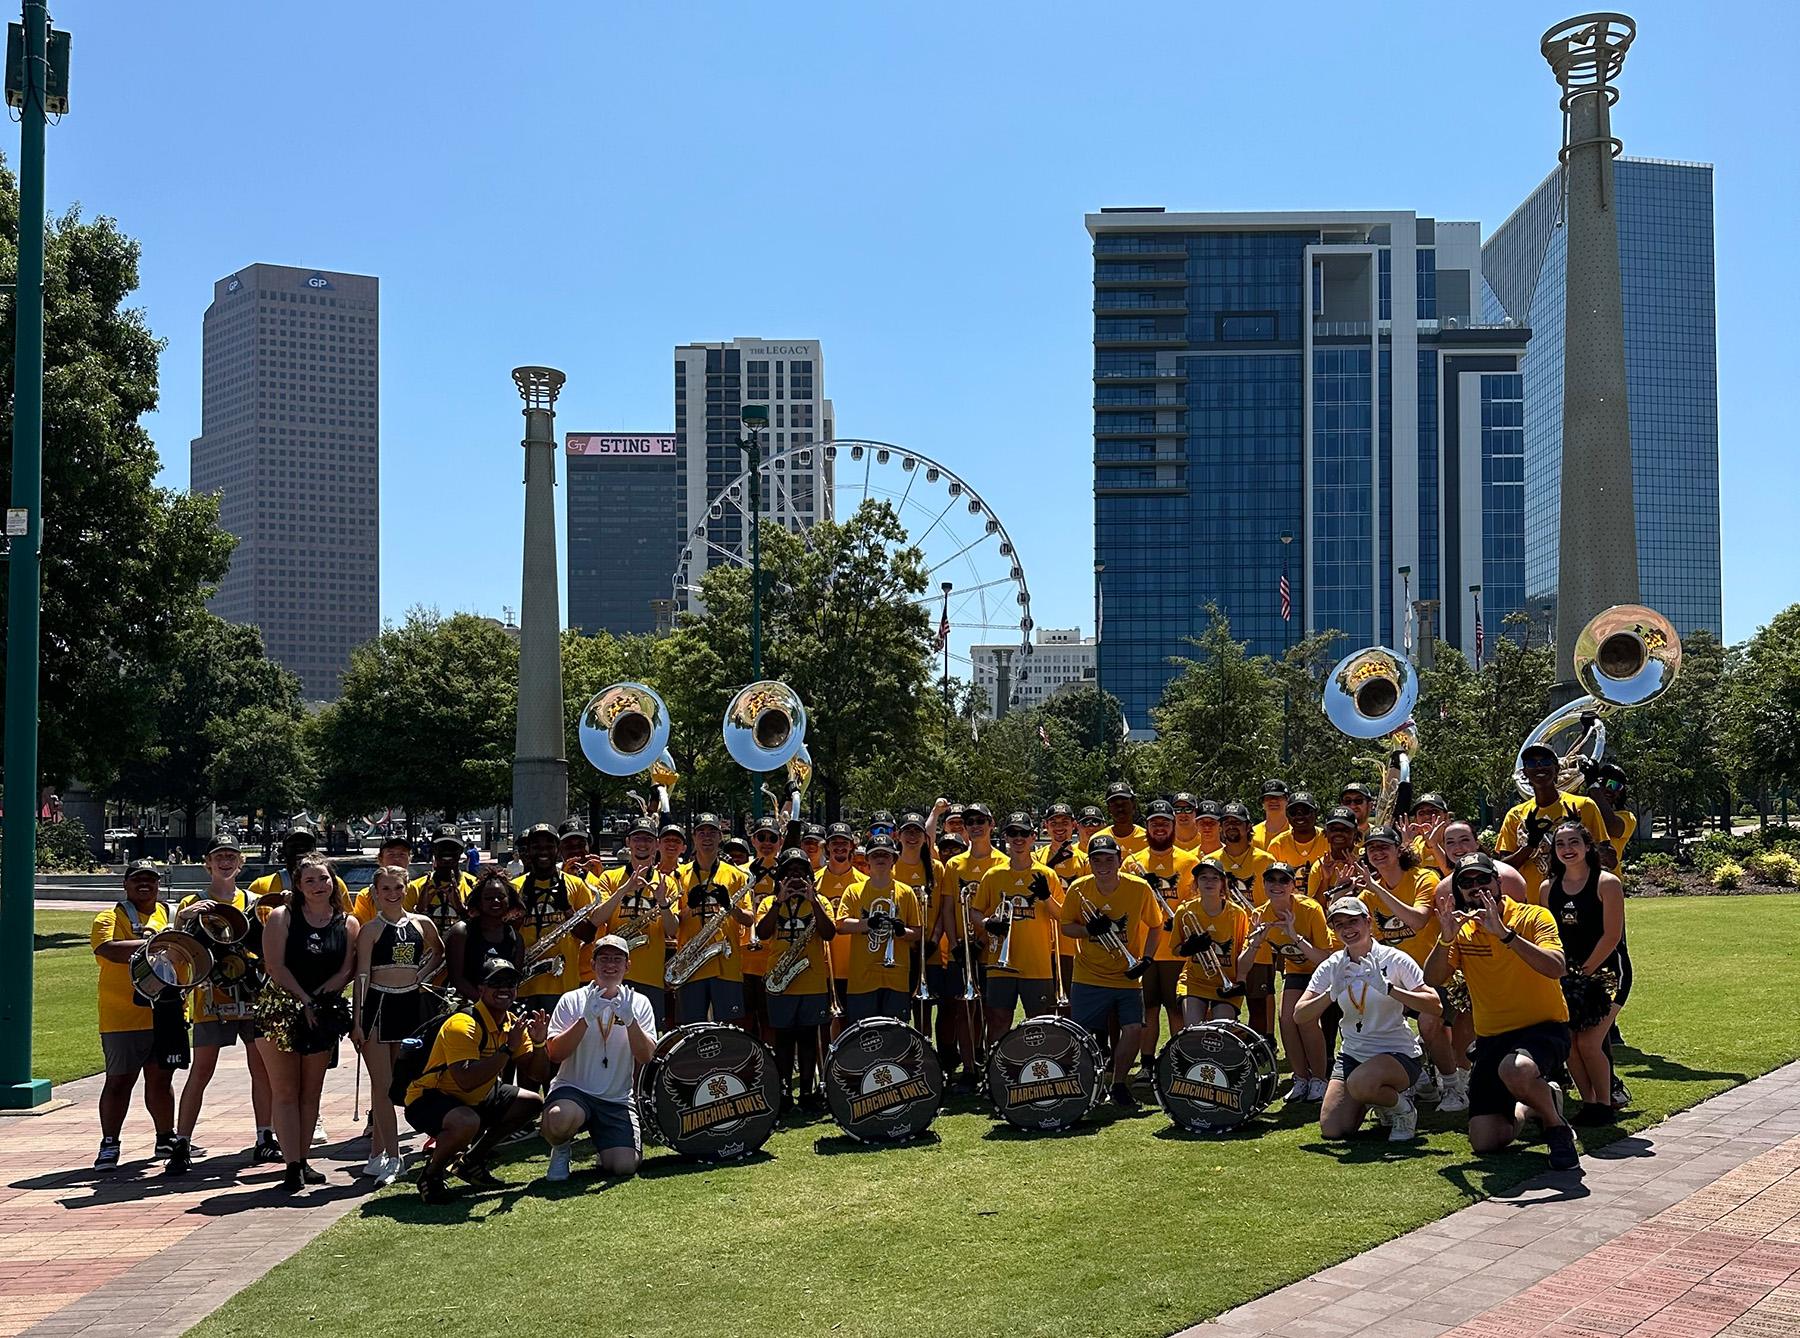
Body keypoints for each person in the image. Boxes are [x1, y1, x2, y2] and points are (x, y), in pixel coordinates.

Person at [1424, 853, 1580, 1171]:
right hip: (1492, 1038)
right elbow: (1432, 978)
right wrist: (1444, 939)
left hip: (1544, 1027)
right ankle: (1533, 1105)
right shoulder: (1461, 930)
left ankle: (1556, 1128)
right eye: (1466, 883)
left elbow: (1556, 967)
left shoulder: (1533, 916)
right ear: (1457, 892)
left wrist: (1506, 935)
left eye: (1483, 879)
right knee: (1486, 1141)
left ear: (1498, 882)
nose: (1476, 887)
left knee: (1516, 1069)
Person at [403, 959, 551, 1202]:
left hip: (476, 1096)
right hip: (430, 1098)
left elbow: (538, 1075)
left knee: (532, 1102)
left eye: (510, 982)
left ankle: (471, 1162)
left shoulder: (513, 1023)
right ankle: (431, 1176)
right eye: (496, 982)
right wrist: (506, 1049)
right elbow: (465, 1080)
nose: (504, 988)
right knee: (467, 1121)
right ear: (480, 989)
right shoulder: (463, 1024)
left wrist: (539, 1043)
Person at [170, 835, 274, 1172]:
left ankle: (265, 1136)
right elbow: (175, 953)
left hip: (253, 995)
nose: (225, 861)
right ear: (208, 863)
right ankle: (181, 1141)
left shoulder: (257, 902)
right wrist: (183, 919)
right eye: (219, 856)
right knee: (202, 1070)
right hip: (211, 996)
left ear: (241, 862)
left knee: (262, 1068)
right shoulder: (193, 902)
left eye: (231, 856)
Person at [1299, 897, 1441, 1143]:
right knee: (1333, 1129)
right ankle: (1378, 1099)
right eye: (1339, 924)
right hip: (1353, 1055)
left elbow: (1435, 1005)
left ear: (1368, 921)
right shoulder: (1333, 965)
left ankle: (1403, 1109)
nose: (1347, 929)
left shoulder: (1394, 958)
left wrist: (1390, 989)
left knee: (1361, 1083)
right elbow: (1300, 1015)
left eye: (1353, 921)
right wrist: (1329, 994)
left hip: (1396, 1053)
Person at [257, 855, 359, 1192]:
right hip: (281, 1010)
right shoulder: (281, 917)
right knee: (285, 1090)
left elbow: (346, 969)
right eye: (311, 880)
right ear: (298, 886)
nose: (319, 886)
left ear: (334, 882)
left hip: (323, 1011)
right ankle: (291, 1165)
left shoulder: (348, 923)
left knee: (310, 1092)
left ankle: (304, 1158)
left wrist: (320, 1001)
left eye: (324, 879)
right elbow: (276, 966)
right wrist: (304, 1000)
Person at [1355, 826, 1465, 1112]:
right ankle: (1415, 1080)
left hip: (1436, 973)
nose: (1377, 853)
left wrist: (1375, 887)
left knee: (1430, 1024)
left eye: (1384, 847)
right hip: (1397, 977)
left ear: (1398, 849)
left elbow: (1417, 921)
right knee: (1371, 1016)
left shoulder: (1423, 878)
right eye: (1371, 849)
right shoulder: (1368, 896)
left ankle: (1452, 1087)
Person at [350, 864, 441, 1186]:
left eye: (397, 888)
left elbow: (438, 952)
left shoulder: (421, 923)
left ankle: (378, 1154)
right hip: (378, 1006)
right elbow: (361, 976)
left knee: (398, 1081)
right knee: (382, 1085)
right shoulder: (371, 929)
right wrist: (357, 1022)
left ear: (406, 889)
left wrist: (421, 975)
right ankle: (394, 1157)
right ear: (375, 892)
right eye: (385, 889)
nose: (392, 894)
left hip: (409, 1004)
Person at [540, 936, 659, 1181]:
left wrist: (631, 1021)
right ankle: (561, 1149)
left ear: (628, 965)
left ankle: (604, 1148)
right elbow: (555, 1054)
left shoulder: (639, 1003)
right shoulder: (572, 1000)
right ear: (592, 964)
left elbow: (646, 1056)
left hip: (615, 1099)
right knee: (558, 1119)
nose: (610, 965)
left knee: (624, 1167)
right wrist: (584, 1019)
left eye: (617, 959)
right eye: (603, 959)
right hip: (574, 1091)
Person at [1055, 834, 1156, 1109]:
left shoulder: (1139, 888)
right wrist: (1088, 930)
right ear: (1089, 862)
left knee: (1134, 1029)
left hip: (1127, 974)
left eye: (1108, 859)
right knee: (1085, 1034)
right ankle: (1089, 1084)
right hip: (1089, 974)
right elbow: (1066, 927)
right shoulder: (1078, 889)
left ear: (1119, 860)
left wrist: (1146, 958)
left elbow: (1156, 925)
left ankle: (1119, 1083)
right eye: (1096, 859)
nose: (1103, 865)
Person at [90, 860, 177, 1171]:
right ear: (126, 885)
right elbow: (108, 949)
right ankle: (109, 1143)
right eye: (137, 879)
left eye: (150, 880)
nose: (145, 885)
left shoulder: (168, 913)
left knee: (161, 1079)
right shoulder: (109, 916)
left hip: (163, 1012)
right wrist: (160, 943)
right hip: (121, 1015)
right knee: (119, 1081)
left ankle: (166, 1137)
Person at [1544, 820, 1628, 1124]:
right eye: (1561, 844)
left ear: (1588, 846)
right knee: (1570, 1043)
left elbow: (1612, 936)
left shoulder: (1607, 883)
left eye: (1574, 843)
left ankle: (1606, 1103)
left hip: (1607, 973)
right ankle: (1589, 1102)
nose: (1568, 849)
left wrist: (1585, 970)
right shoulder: (1548, 888)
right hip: (1566, 976)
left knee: (1590, 1041)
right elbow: (1548, 935)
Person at [756, 848, 839, 1110]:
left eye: (801, 871)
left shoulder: (820, 901)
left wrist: (813, 901)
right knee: (783, 1040)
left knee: (807, 1038)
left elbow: (829, 934)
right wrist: (779, 902)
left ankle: (806, 1091)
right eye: (790, 871)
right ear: (781, 876)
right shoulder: (770, 903)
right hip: (780, 981)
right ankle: (783, 1093)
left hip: (812, 980)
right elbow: (762, 932)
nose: (795, 876)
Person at [1240, 861, 1330, 1103]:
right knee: (1285, 1019)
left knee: (1306, 1018)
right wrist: (1256, 942)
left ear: (1293, 885)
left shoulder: (1310, 909)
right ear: (1264, 883)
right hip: (1295, 970)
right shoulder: (1260, 914)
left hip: (1323, 971)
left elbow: (1326, 958)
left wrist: (1295, 937)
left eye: (1283, 880)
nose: (1276, 885)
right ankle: (1301, 1078)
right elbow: (1244, 965)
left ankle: (1319, 1079)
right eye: (1271, 880)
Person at [971, 813, 1064, 1035]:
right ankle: (998, 1067)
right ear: (1006, 837)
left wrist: (1046, 897)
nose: (1019, 838)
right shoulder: (993, 875)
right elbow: (975, 911)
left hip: (1037, 963)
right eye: (1013, 833)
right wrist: (987, 923)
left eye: (1024, 833)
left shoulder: (1047, 874)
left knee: (1042, 1022)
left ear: (1033, 837)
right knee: (998, 1020)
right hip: (1000, 965)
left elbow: (1062, 916)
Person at [1127, 799, 1197, 1080]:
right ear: (1147, 826)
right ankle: (1147, 1063)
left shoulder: (1189, 861)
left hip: (1175, 950)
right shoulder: (1134, 863)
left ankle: (1179, 1060)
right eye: (1154, 822)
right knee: (1148, 1009)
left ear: (1173, 826)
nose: (1159, 827)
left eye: (1164, 822)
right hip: (1145, 949)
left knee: (1176, 1009)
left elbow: (1194, 905)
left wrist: (1176, 918)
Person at [1497, 743, 1610, 904]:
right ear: (1525, 773)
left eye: (1545, 762)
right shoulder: (1515, 815)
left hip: (1578, 902)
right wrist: (1531, 844)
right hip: (1532, 908)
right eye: (1531, 763)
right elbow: (1502, 869)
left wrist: (1577, 836)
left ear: (1557, 769)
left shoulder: (1584, 806)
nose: (1539, 767)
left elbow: (1608, 857)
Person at [594, 817, 680, 1029]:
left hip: (651, 976)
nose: (642, 844)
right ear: (628, 842)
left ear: (656, 844)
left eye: (648, 839)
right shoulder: (609, 877)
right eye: (637, 839)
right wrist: (624, 888)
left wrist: (662, 903)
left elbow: (672, 930)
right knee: (610, 1037)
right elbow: (597, 918)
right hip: (613, 976)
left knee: (648, 1039)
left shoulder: (667, 882)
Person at [671, 813, 755, 1023]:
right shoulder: (679, 875)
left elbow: (748, 919)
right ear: (694, 837)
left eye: (712, 832)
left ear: (720, 837)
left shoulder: (736, 875)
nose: (706, 837)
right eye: (702, 832)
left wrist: (730, 906)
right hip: (690, 966)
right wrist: (690, 906)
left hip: (726, 965)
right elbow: (672, 924)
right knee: (691, 1030)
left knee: (729, 1031)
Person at [511, 823, 598, 1013]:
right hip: (524, 985)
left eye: (549, 846)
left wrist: (567, 909)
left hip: (564, 986)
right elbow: (505, 936)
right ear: (528, 851)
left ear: (558, 849)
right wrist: (522, 908)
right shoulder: (514, 888)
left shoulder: (576, 885)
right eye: (537, 847)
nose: (543, 852)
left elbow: (589, 935)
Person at [835, 836, 923, 1021]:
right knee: (864, 1037)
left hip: (896, 978)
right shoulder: (853, 890)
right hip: (863, 978)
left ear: (894, 859)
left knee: (894, 1036)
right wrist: (869, 923)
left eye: (885, 854)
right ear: (867, 859)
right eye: (875, 855)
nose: (880, 858)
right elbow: (841, 925)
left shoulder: (906, 892)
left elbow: (917, 932)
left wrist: (901, 931)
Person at [1215, 803, 1276, 1038]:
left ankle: (1258, 1050)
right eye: (1226, 822)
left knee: (1257, 1004)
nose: (1231, 827)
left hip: (1256, 945)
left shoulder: (1265, 860)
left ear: (1248, 827)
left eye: (1237, 822)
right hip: (1222, 944)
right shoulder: (1211, 860)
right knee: (1220, 1004)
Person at [1172, 858, 1252, 1024]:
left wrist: (1241, 980)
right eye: (1203, 877)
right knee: (1193, 1029)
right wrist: (1188, 948)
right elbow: (1175, 949)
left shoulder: (1237, 914)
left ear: (1223, 883)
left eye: (1215, 878)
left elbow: (1241, 952)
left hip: (1226, 983)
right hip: (1194, 982)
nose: (1209, 882)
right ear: (1196, 883)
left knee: (1221, 1031)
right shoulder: (1185, 911)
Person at [446, 869, 527, 1002]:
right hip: (466, 1006)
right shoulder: (461, 932)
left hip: (500, 1006)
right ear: (479, 901)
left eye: (501, 897)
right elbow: (457, 979)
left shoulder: (516, 939)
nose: (495, 901)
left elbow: (514, 980)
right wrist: (484, 1004)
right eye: (488, 898)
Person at [248, 822, 349, 905]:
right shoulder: (260, 886)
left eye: (306, 846)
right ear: (283, 851)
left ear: (315, 851)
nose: (300, 850)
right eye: (294, 846)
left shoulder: (333, 884)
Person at [406, 826, 479, 937]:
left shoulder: (475, 886)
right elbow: (403, 935)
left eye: (453, 847)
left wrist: (461, 910)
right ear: (433, 850)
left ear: (461, 851)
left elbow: (483, 930)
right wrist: (419, 911)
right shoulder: (415, 888)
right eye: (442, 847)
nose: (447, 852)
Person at [1266, 792, 1329, 892]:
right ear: (1287, 815)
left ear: (1316, 813)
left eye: (1305, 811)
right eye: (1293, 812)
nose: (1299, 816)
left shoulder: (1328, 839)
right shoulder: (1277, 845)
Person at [1102, 781, 1148, 858]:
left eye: (1124, 803)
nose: (1120, 808)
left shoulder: (1147, 838)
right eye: (1115, 804)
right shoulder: (1099, 838)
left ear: (1134, 805)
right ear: (1109, 809)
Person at [1253, 779, 1290, 848]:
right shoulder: (1252, 834)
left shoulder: (1296, 831)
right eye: (1268, 797)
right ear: (1262, 803)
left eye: (1278, 797)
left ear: (1287, 800)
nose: (1273, 800)